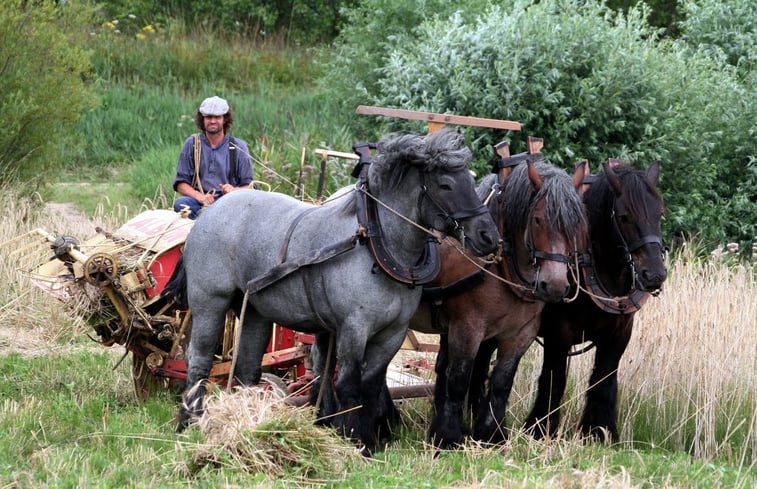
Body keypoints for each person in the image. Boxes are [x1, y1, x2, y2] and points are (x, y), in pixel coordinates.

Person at [172, 96, 254, 219]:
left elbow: (250, 186)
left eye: (217, 117)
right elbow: (181, 184)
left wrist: (234, 191)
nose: (213, 121)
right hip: (199, 201)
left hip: (229, 202)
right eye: (209, 117)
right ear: (202, 119)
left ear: (225, 119)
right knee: (181, 204)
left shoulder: (238, 146)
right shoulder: (192, 144)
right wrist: (201, 197)